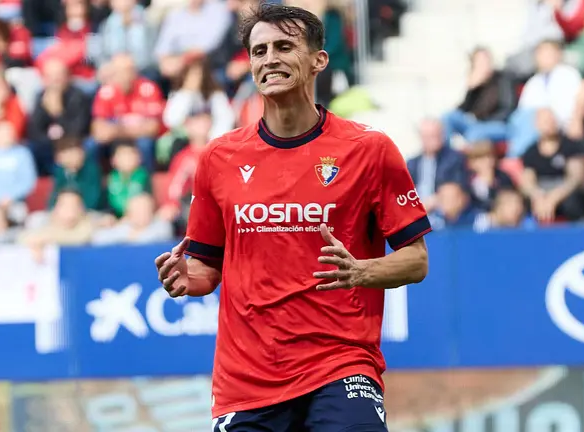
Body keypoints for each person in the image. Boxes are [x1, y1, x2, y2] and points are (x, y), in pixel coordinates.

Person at [154, 4, 431, 431]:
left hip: (341, 365)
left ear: (319, 59)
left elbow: (417, 260)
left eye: (285, 46)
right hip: (246, 379)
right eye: (259, 50)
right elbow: (206, 267)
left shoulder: (369, 150)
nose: (270, 59)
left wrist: (361, 271)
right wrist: (185, 279)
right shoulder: (218, 158)